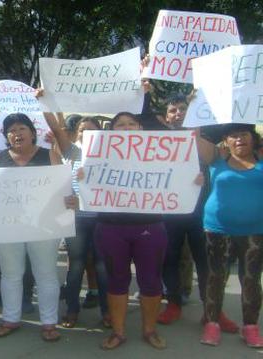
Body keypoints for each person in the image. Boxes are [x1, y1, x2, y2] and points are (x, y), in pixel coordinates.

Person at [0, 113, 74, 341]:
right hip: (8, 229)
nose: (16, 133)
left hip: (44, 228)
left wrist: (70, 200)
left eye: (21, 128)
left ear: (32, 133)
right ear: (6, 137)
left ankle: (49, 323)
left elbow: (64, 190)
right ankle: (10, 319)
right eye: (11, 131)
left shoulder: (49, 156)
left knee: (47, 275)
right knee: (11, 274)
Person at [88, 112, 179, 350]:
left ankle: (149, 330)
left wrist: (193, 180)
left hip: (150, 226)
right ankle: (118, 332)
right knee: (116, 279)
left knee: (150, 279)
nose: (127, 128)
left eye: (132, 124)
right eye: (120, 125)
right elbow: (86, 183)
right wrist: (84, 177)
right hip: (110, 227)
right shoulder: (99, 156)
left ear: (140, 127)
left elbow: (178, 176)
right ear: (112, 130)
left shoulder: (157, 154)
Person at [157, 95, 237, 332]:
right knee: (169, 259)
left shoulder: (206, 141)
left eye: (183, 109)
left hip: (202, 213)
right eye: (173, 110)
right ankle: (173, 303)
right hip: (169, 213)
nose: (178, 113)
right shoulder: (155, 142)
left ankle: (213, 310)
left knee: (208, 264)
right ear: (166, 116)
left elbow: (215, 159)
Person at [196, 123, 263, 348]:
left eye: (243, 135)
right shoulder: (217, 158)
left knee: (251, 279)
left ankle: (250, 327)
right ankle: (212, 324)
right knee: (216, 277)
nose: (239, 140)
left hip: (255, 230)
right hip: (217, 229)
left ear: (253, 138)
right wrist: (199, 105)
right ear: (226, 140)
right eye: (233, 136)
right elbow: (197, 135)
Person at [59, 116, 110, 328]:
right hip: (77, 219)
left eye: (91, 130)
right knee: (76, 265)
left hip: (101, 219)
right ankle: (72, 310)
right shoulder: (71, 153)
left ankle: (108, 312)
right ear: (76, 134)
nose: (85, 133)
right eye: (82, 130)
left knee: (103, 267)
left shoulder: (110, 154)